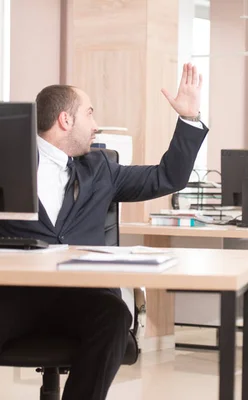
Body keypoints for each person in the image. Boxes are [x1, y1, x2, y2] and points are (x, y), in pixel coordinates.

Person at [0, 63, 209, 399]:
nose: (96, 126)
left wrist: (189, 118)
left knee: (113, 316)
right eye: (90, 114)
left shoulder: (102, 170)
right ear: (65, 120)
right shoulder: (5, 162)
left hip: (83, 298)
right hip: (18, 295)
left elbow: (168, 177)